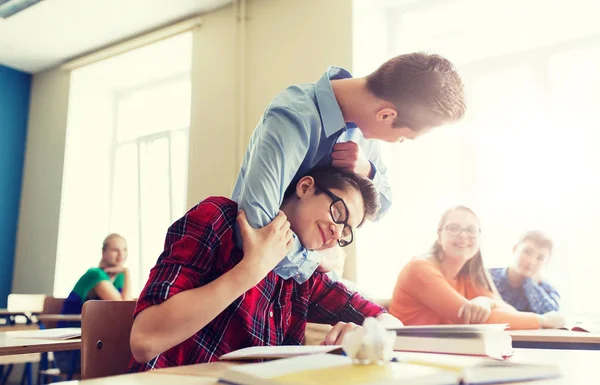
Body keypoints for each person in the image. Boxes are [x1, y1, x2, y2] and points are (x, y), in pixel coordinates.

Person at [129, 167, 402, 370]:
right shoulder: (221, 218)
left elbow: (390, 322)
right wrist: (252, 268)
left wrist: (367, 333)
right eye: (338, 213)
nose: (336, 231)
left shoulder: (303, 273)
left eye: (346, 231)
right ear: (305, 187)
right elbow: (144, 340)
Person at [232, 52, 466, 284]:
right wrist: (318, 259)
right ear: (386, 115)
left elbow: (381, 207)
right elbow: (255, 227)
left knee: (377, 319)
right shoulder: (293, 117)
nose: (397, 142)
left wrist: (367, 171)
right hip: (249, 280)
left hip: (302, 286)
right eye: (404, 138)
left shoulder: (365, 133)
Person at [389, 206, 565, 330]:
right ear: (439, 235)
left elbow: (505, 309)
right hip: (409, 359)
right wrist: (544, 320)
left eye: (471, 230)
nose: (463, 235)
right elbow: (469, 317)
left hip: (440, 355)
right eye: (453, 228)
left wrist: (487, 301)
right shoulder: (420, 269)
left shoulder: (466, 275)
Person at [55, 233, 131, 374]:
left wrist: (124, 274)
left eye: (124, 249)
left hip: (94, 347)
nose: (121, 255)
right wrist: (127, 272)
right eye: (115, 250)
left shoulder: (118, 278)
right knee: (129, 360)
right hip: (72, 352)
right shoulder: (95, 274)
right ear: (103, 252)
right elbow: (124, 307)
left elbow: (126, 311)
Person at [489, 231, 560, 314]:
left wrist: (530, 283)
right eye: (527, 252)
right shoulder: (487, 276)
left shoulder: (547, 290)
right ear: (515, 249)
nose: (531, 261)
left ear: (546, 263)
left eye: (540, 258)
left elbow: (553, 317)